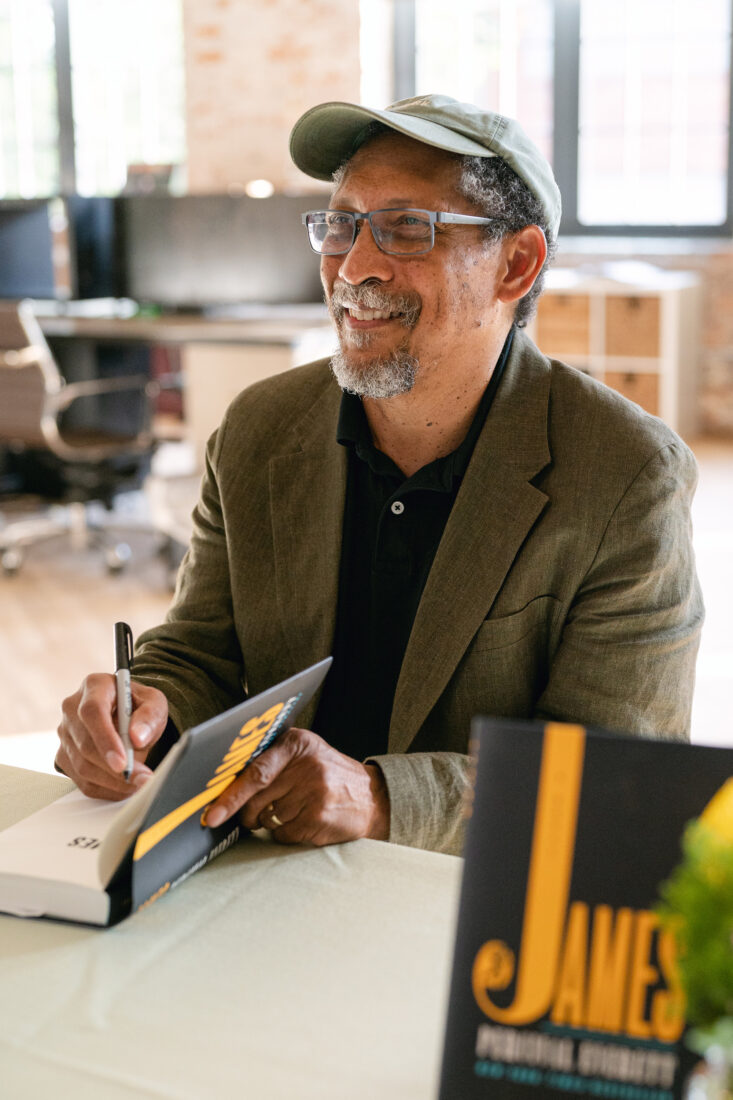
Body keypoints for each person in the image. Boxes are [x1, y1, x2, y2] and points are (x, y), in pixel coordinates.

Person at [56, 95, 703, 856]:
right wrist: (144, 710)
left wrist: (380, 800)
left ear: (516, 264)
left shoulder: (625, 476)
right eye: (340, 224)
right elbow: (204, 650)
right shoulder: (259, 430)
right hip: (263, 873)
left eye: (405, 229)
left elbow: (611, 776)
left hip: (464, 903)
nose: (353, 268)